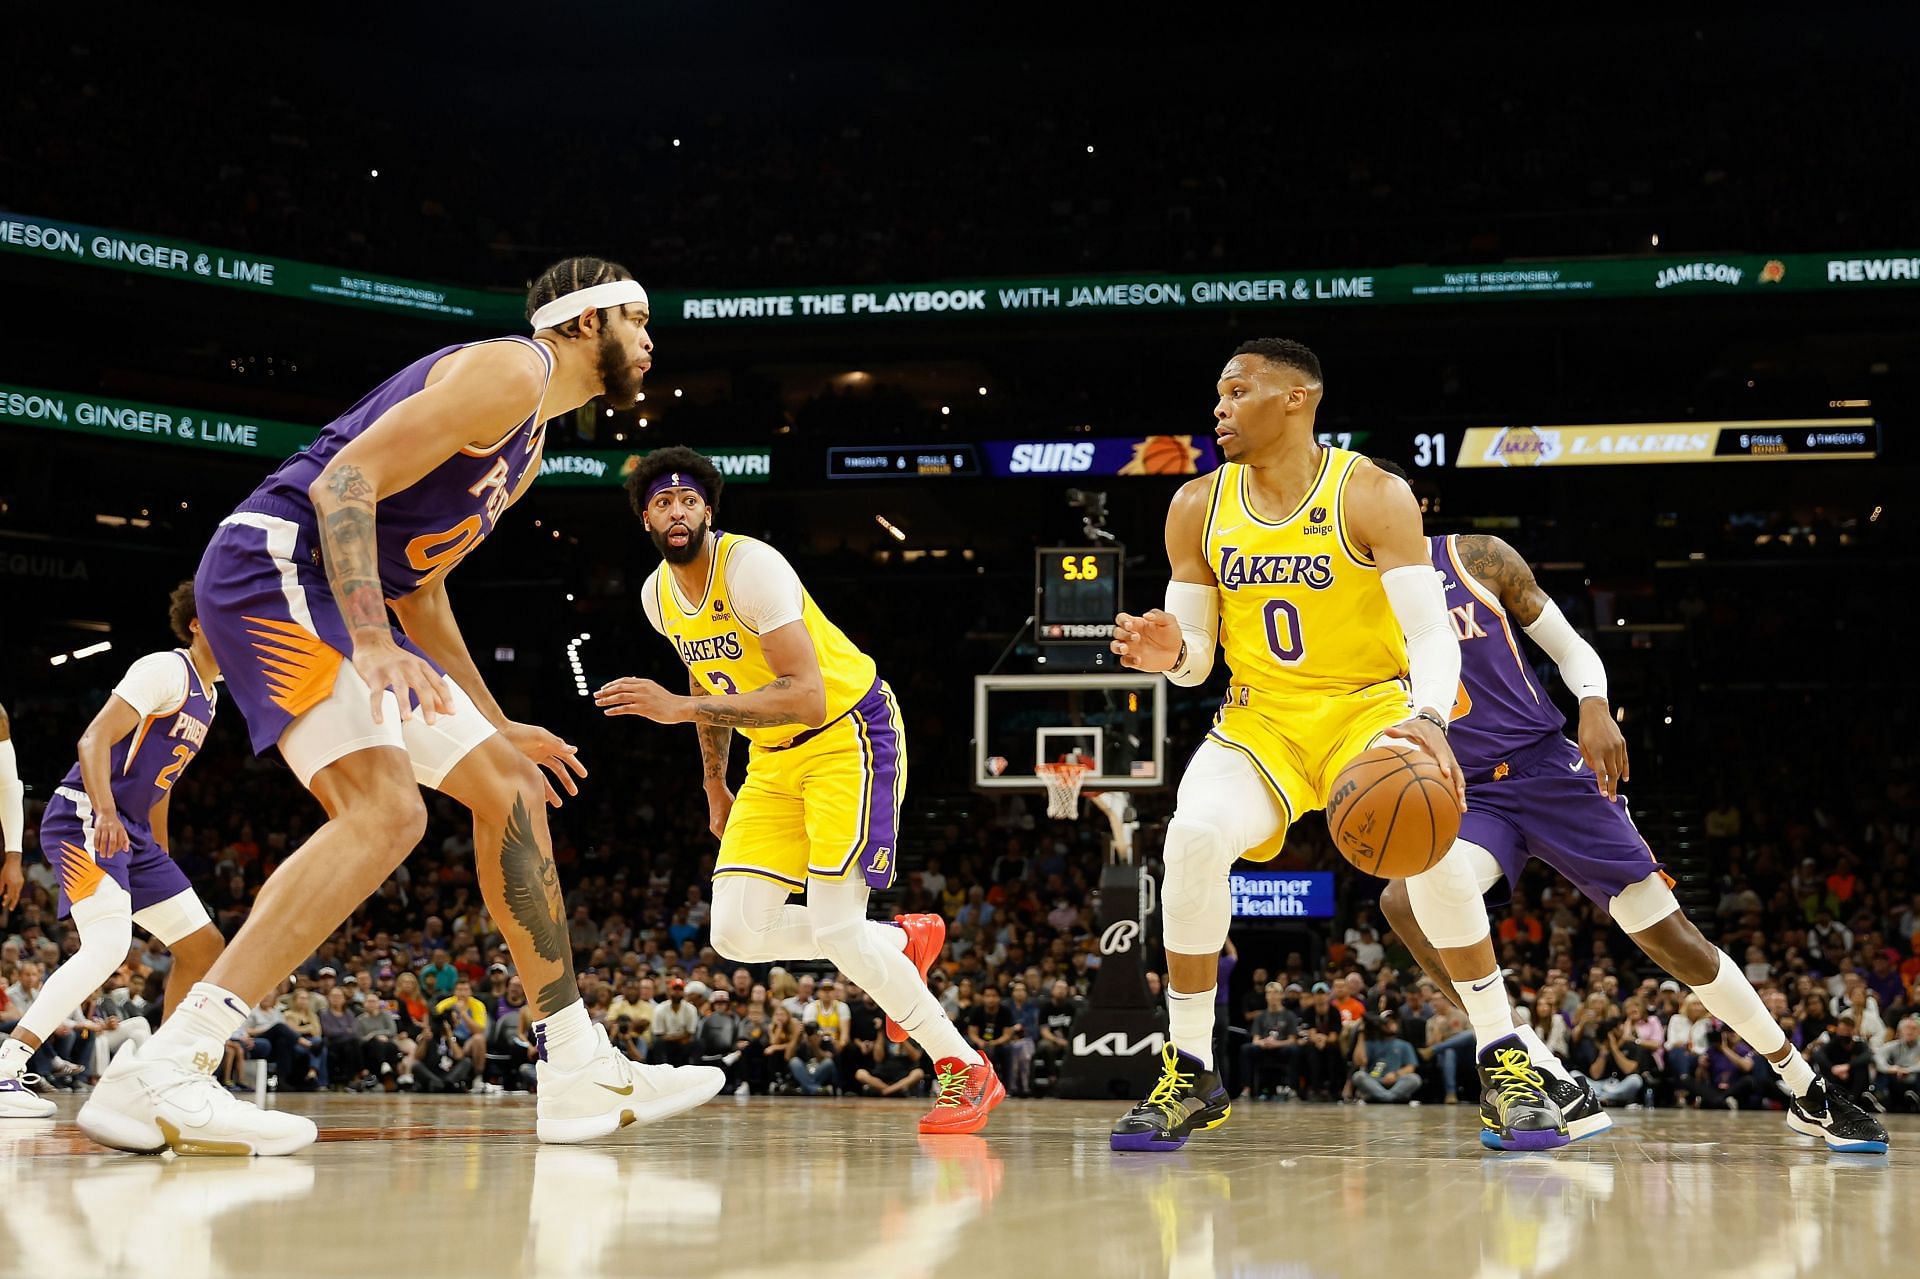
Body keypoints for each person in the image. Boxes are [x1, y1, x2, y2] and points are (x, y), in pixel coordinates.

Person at [77, 258, 724, 1156]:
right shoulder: (511, 369)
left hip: (355, 596)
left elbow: (423, 592)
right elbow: (342, 484)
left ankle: (575, 1065)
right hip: (279, 567)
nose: (651, 340)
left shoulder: (532, 442)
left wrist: (492, 719)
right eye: (637, 318)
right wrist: (373, 643)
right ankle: (168, 1066)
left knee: (511, 788)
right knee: (386, 811)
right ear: (584, 324)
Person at [1105, 339, 1559, 1153]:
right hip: (1262, 721)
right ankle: (1191, 1068)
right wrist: (1166, 651)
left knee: (1438, 853)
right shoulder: (1194, 507)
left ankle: (1504, 1056)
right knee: (1193, 835)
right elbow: (1198, 660)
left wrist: (1427, 719)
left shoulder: (1373, 494)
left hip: (1366, 711)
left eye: (1237, 391)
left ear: (1297, 398)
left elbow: (1429, 633)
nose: (1219, 408)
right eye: (1217, 393)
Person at [1374, 516, 1888, 1153]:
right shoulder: (1343, 599)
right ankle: (1536, 1070)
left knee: (1673, 937)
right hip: (1467, 790)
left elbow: (1569, 648)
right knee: (1404, 902)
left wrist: (1593, 702)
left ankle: (1802, 1084)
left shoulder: (1473, 557)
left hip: (1546, 767)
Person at [596, 445, 1000, 1134]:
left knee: (839, 928)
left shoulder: (751, 567)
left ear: (708, 510)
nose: (677, 510)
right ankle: (899, 940)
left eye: (688, 499)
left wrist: (679, 709)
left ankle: (965, 1067)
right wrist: (713, 783)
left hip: (848, 734)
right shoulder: (657, 597)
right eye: (662, 502)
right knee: (735, 930)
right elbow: (705, 679)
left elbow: (806, 695)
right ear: (645, 518)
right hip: (772, 759)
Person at [2, 585, 228, 1121]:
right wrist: (104, 811)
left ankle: (168, 1074)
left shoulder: (210, 696)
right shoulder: (164, 669)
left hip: (135, 833)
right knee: (107, 946)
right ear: (197, 623)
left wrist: (161, 852)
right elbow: (93, 740)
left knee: (203, 946)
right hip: (86, 814)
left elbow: (162, 783)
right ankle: (7, 1063)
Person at [1237, 982, 1300, 1101]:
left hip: (1282, 1048)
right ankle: (1246, 1089)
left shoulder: (1289, 1015)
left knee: (1294, 1050)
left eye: (1276, 993)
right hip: (1264, 1048)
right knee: (1246, 1049)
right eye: (1269, 993)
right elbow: (1255, 1040)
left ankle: (1293, 1090)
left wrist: (1277, 1044)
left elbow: (1292, 1040)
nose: (1273, 996)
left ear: (1281, 995)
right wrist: (1264, 1042)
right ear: (1266, 996)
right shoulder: (1261, 1016)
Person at [1351, 1014, 1421, 1104]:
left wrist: (1395, 1074)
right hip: (1375, 1081)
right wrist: (1361, 1034)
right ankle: (1389, 1097)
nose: (1391, 1025)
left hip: (1396, 1081)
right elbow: (1359, 1062)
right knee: (1358, 1076)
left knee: (1414, 1078)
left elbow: (1410, 1068)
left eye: (1393, 1022)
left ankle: (1383, 1097)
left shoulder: (1404, 1045)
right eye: (1387, 1022)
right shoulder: (1371, 1043)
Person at [1873, 1016, 1920, 1112]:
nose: (1910, 1031)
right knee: (1883, 1073)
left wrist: (1908, 1070)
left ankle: (1917, 1100)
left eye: (1914, 1029)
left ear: (1919, 1032)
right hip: (1897, 1079)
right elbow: (1878, 1058)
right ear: (1899, 1032)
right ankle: (1880, 1098)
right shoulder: (1892, 1046)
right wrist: (1890, 1069)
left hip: (1914, 1080)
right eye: (1907, 1028)